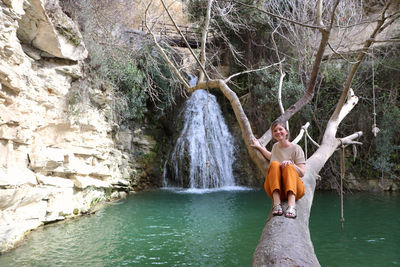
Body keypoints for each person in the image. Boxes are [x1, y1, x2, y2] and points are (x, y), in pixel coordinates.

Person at [251, 120, 306, 219]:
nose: (278, 132)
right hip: (279, 190)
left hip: (295, 189)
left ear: (286, 131)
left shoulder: (296, 149)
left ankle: (292, 206)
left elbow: (302, 173)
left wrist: (292, 165)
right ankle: (276, 204)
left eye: (280, 129)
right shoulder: (275, 147)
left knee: (288, 166)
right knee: (275, 164)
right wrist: (259, 147)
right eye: (275, 130)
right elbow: (272, 156)